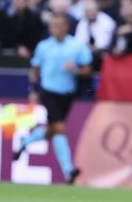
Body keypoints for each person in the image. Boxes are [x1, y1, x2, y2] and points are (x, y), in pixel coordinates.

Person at [14, 15, 92, 184]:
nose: (56, 29)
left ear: (66, 28)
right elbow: (34, 69)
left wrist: (76, 70)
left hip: (67, 93)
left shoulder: (76, 46)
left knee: (53, 130)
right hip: (48, 91)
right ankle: (68, 170)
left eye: (59, 26)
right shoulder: (44, 47)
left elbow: (88, 69)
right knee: (59, 128)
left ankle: (26, 141)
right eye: (53, 26)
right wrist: (33, 90)